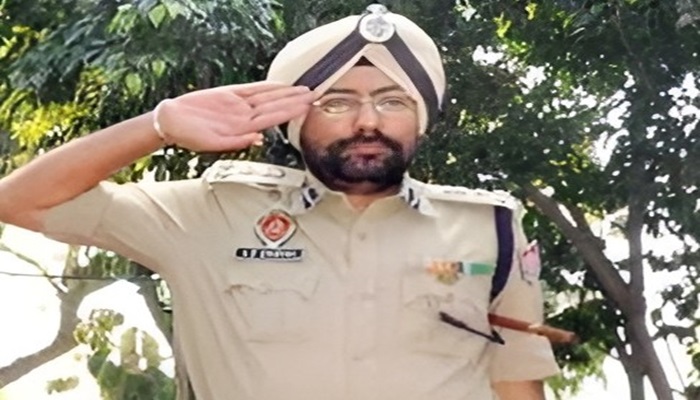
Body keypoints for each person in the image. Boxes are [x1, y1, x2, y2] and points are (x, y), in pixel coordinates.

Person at [0, 4, 559, 400]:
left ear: (420, 119)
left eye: (393, 102)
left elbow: (515, 381)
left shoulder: (489, 229)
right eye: (337, 103)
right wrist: (157, 126)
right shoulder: (209, 213)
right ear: (295, 123)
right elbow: (20, 202)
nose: (368, 121)